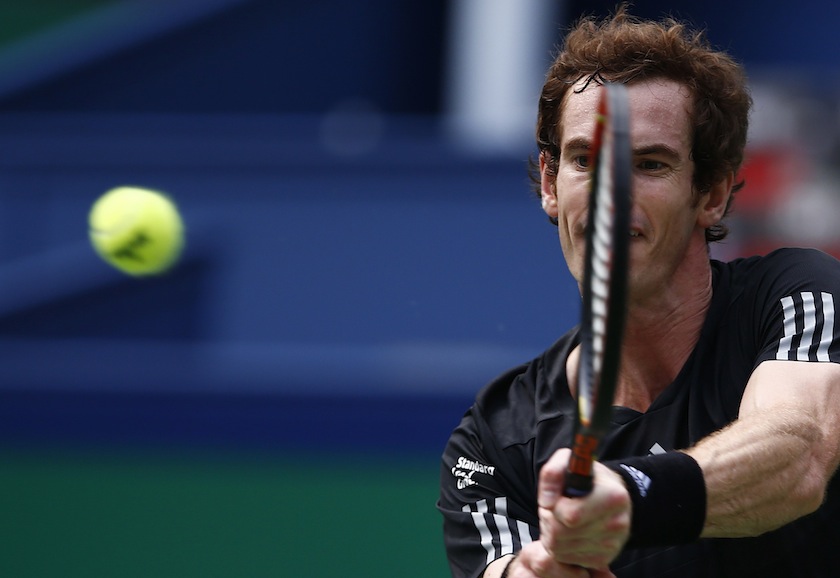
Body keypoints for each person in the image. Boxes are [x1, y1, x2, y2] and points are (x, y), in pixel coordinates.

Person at [438, 6, 840, 578]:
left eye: (650, 165)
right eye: (584, 160)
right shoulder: (497, 438)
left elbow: (796, 455)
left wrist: (630, 496)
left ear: (712, 195)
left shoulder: (796, 293)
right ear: (551, 185)